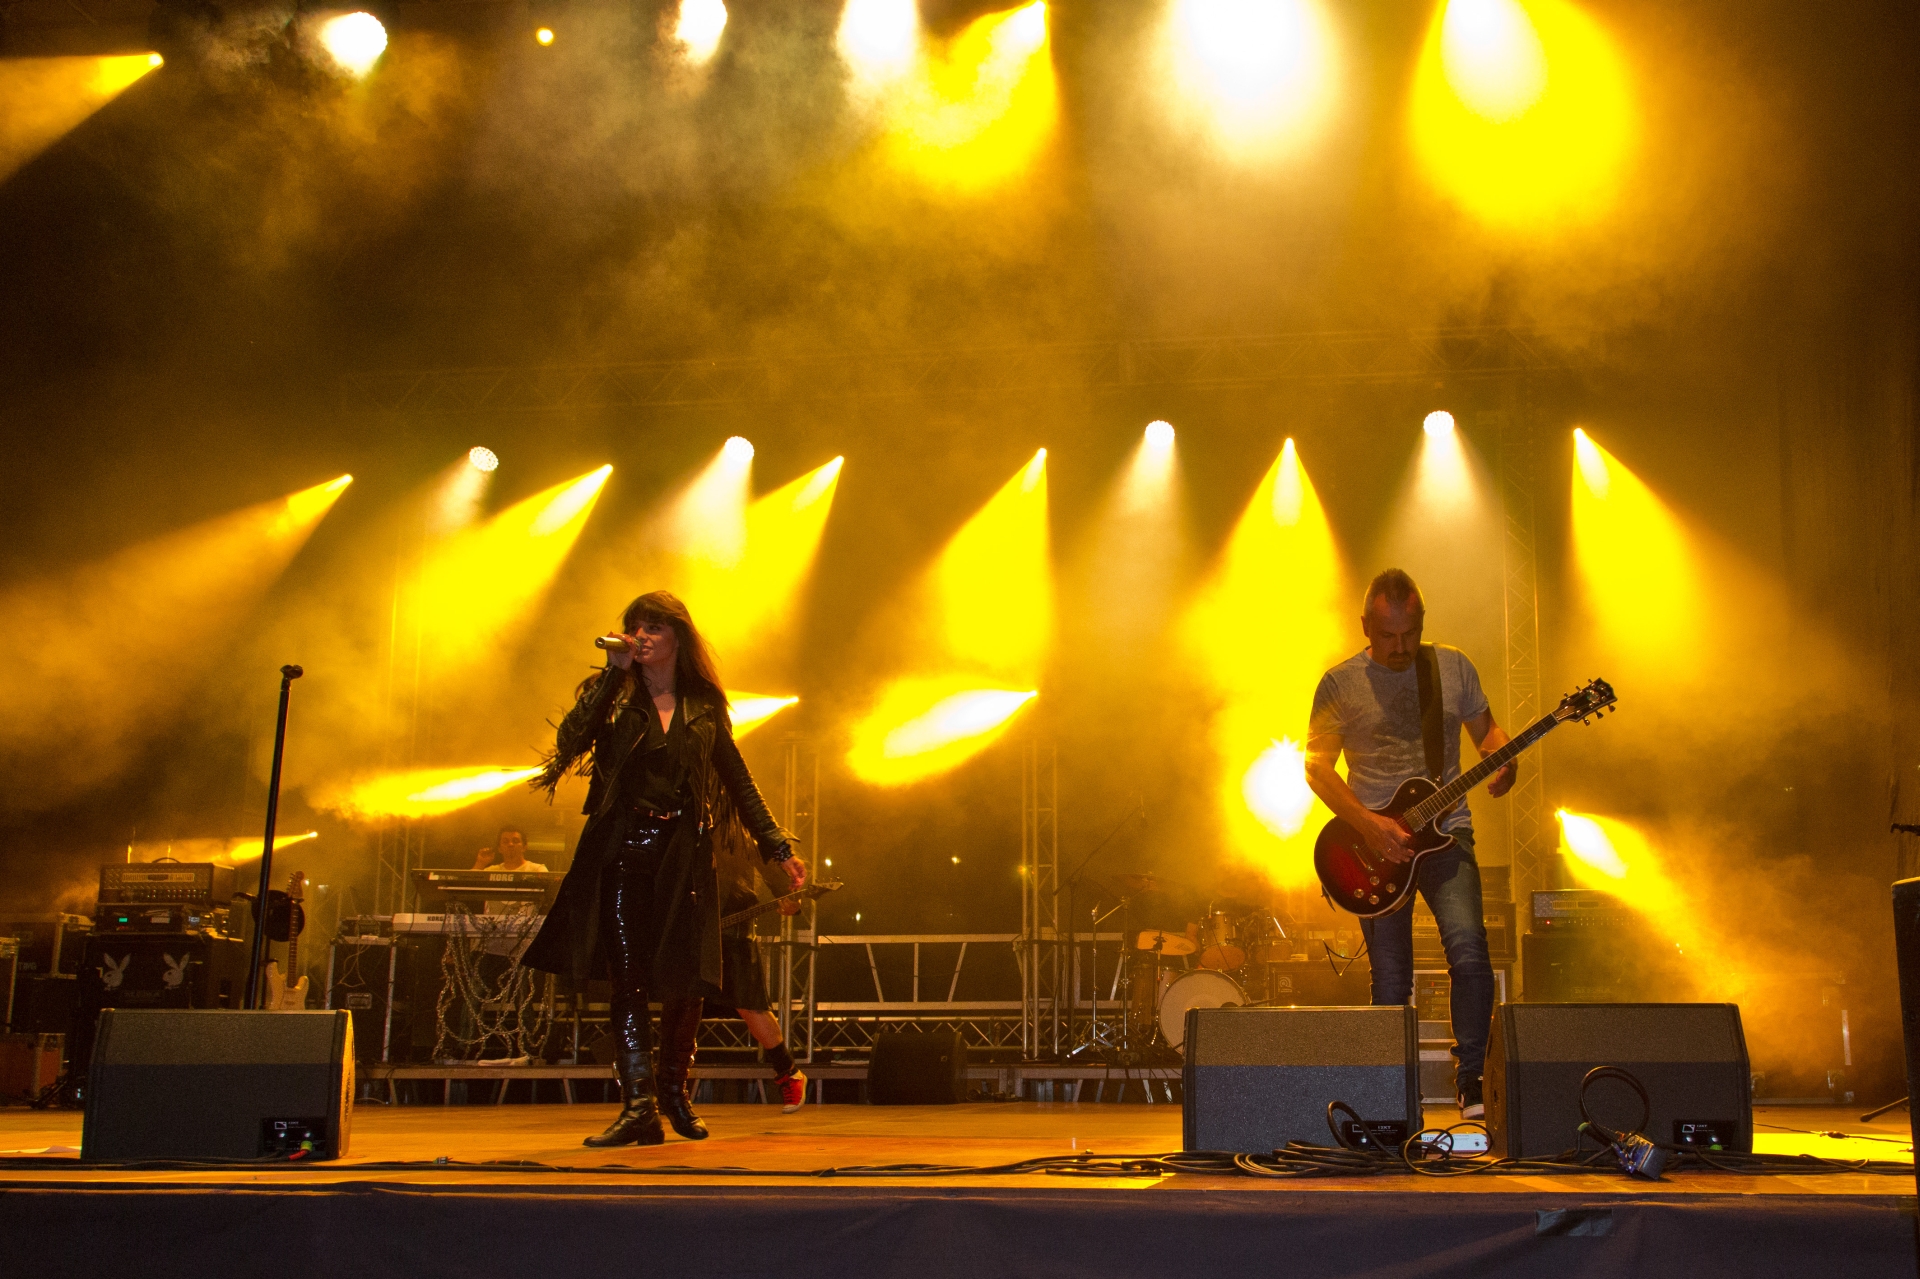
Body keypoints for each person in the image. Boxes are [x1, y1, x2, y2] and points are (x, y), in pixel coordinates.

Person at [523, 591, 804, 1147]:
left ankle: (674, 1092)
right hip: (623, 847)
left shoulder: (703, 705)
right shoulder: (612, 695)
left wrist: (777, 846)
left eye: (654, 627)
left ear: (679, 637)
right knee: (627, 979)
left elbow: (738, 780)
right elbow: (568, 744)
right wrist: (612, 675)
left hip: (684, 853)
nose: (642, 636)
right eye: (636, 627)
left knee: (686, 977)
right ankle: (638, 1106)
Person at [1304, 569, 1515, 1120]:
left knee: (1470, 951)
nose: (1400, 647)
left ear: (1422, 621)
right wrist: (1370, 825)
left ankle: (1472, 1082)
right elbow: (1317, 768)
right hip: (1373, 848)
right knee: (1391, 978)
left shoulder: (1452, 667)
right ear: (1364, 626)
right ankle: (1393, 1095)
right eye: (1387, 636)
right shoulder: (1340, 683)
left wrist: (1502, 757)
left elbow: (1487, 732)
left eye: (1410, 633)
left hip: (1447, 831)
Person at [704, 791, 809, 1113]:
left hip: (734, 929)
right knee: (681, 1002)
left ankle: (788, 1072)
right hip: (693, 927)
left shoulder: (739, 830)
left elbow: (773, 872)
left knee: (750, 1007)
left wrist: (789, 900)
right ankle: (670, 1080)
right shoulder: (683, 827)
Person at [473, 826, 549, 873]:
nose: (510, 844)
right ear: (499, 848)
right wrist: (480, 863)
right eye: (505, 841)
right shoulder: (491, 871)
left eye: (515, 841)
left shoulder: (537, 870)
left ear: (524, 847)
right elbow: (470, 886)